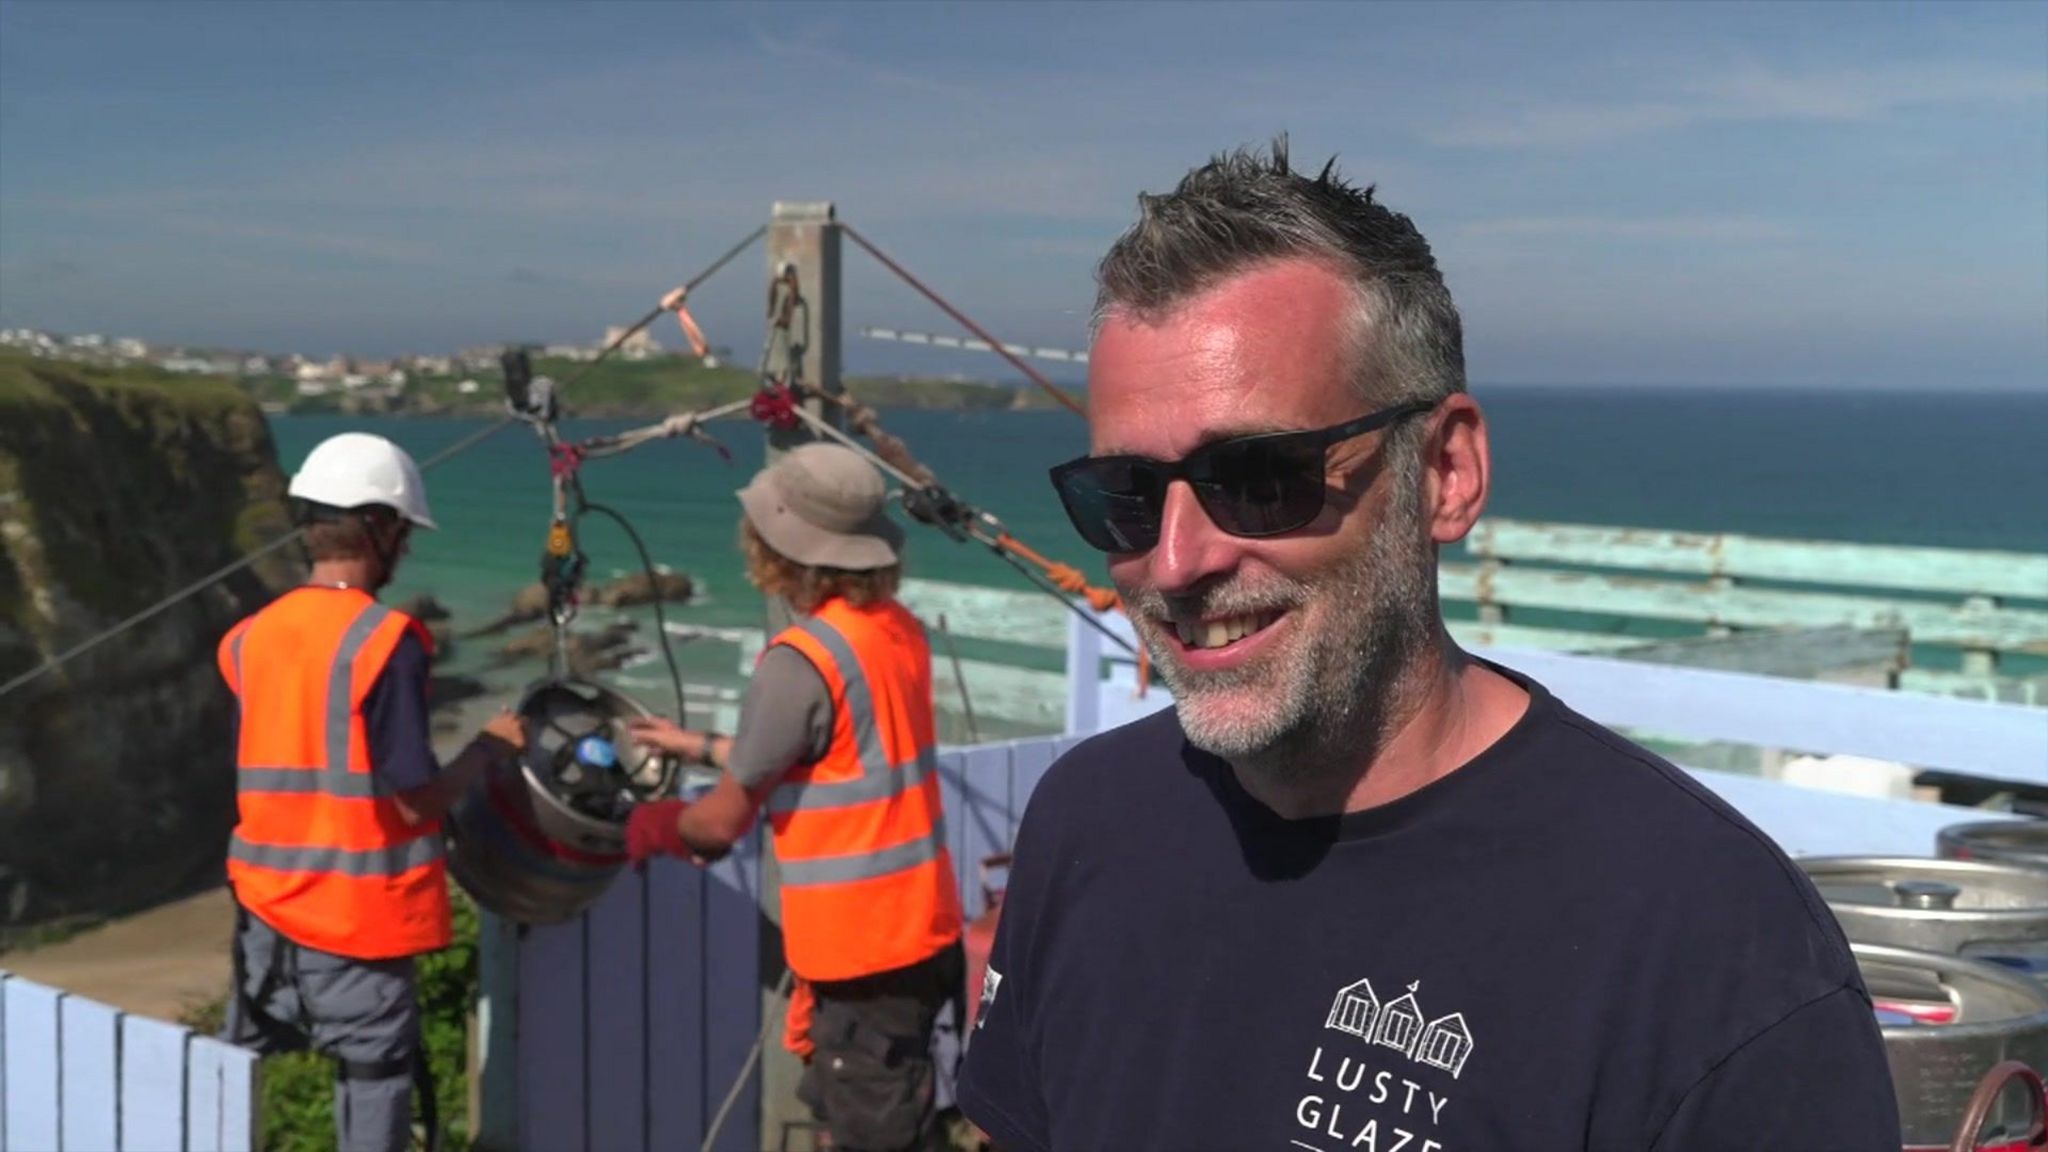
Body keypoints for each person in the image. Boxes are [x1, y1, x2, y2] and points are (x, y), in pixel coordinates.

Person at [955, 138, 1900, 1150]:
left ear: (1443, 473)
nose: (1177, 561)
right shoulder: (1087, 821)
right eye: (1126, 496)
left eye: (1260, 477)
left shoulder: (1713, 950)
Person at [625, 441, 967, 1152]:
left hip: (860, 959)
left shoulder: (801, 660)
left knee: (880, 1134)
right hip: (922, 932)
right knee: (893, 1116)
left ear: (777, 547)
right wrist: (704, 747)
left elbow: (719, 825)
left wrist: (651, 826)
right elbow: (838, 757)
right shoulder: (895, 632)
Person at [217, 431, 524, 1152]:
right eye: (404, 534)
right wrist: (489, 748)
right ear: (379, 527)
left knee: (239, 1082)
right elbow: (412, 799)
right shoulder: (386, 640)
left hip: (263, 909)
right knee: (373, 1083)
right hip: (355, 921)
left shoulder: (247, 638)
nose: (407, 550)